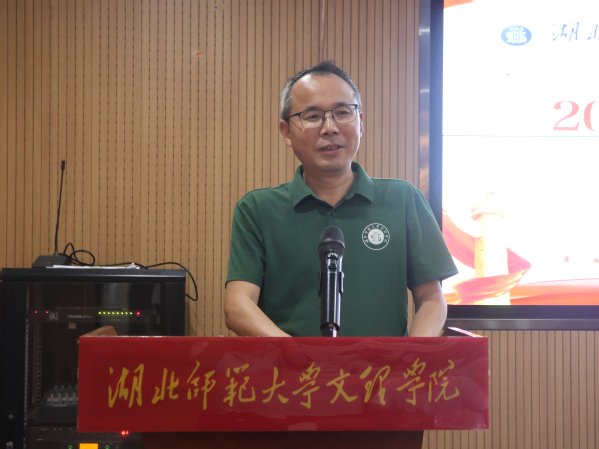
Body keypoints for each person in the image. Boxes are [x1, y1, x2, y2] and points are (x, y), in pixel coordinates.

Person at [225, 60, 457, 337]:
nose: (330, 127)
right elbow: (238, 305)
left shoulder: (403, 199)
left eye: (343, 112)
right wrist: (298, 356)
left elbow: (432, 299)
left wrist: (412, 357)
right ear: (286, 132)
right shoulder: (258, 209)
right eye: (312, 116)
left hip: (385, 366)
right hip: (289, 365)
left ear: (361, 122)